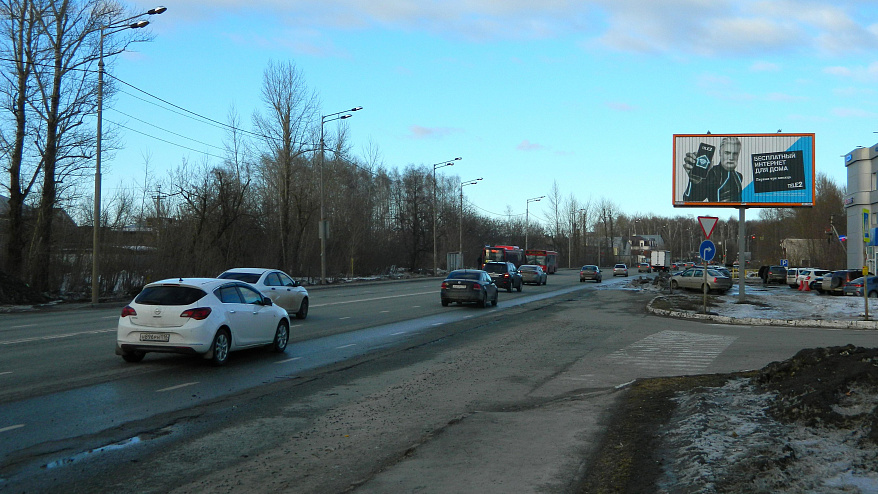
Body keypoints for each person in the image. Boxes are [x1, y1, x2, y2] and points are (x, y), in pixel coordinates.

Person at [682, 136, 743, 202]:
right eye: (727, 153)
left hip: (735, 211)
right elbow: (691, 199)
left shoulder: (739, 176)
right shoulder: (712, 174)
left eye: (735, 154)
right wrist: (695, 182)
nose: (731, 157)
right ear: (720, 153)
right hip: (719, 211)